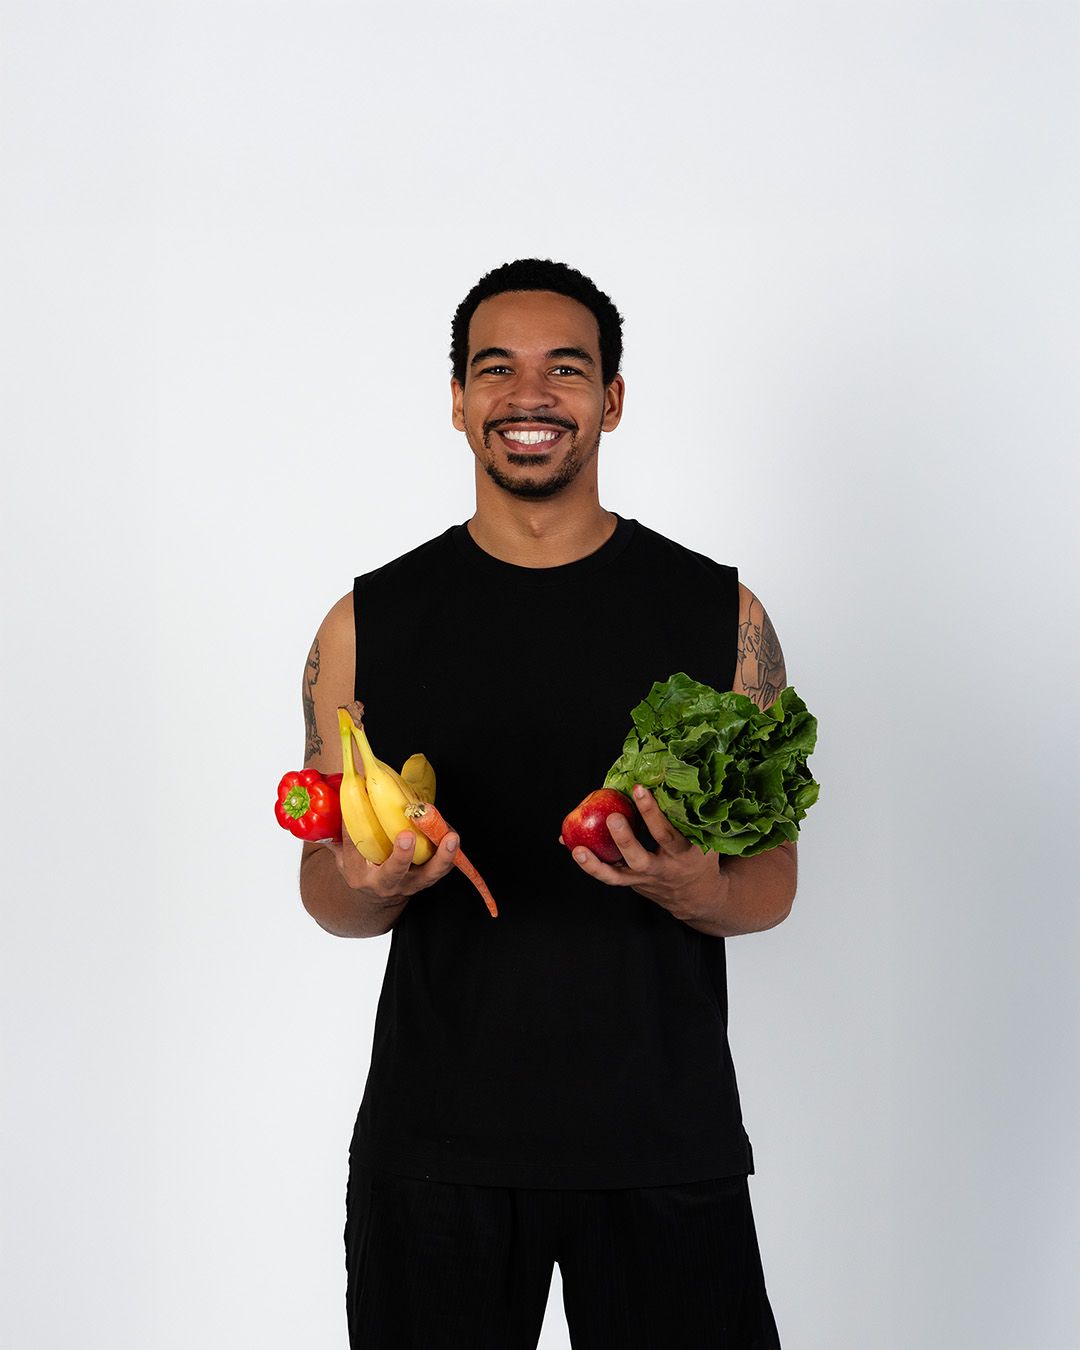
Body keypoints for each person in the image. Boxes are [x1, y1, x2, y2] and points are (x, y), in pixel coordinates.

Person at [297, 258, 796, 1349]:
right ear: (458, 401)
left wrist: (695, 886)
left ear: (611, 399)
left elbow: (772, 885)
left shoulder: (724, 617)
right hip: (435, 1151)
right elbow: (326, 896)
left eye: (565, 369)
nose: (529, 394)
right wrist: (374, 886)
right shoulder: (364, 626)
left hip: (664, 1141)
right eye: (496, 369)